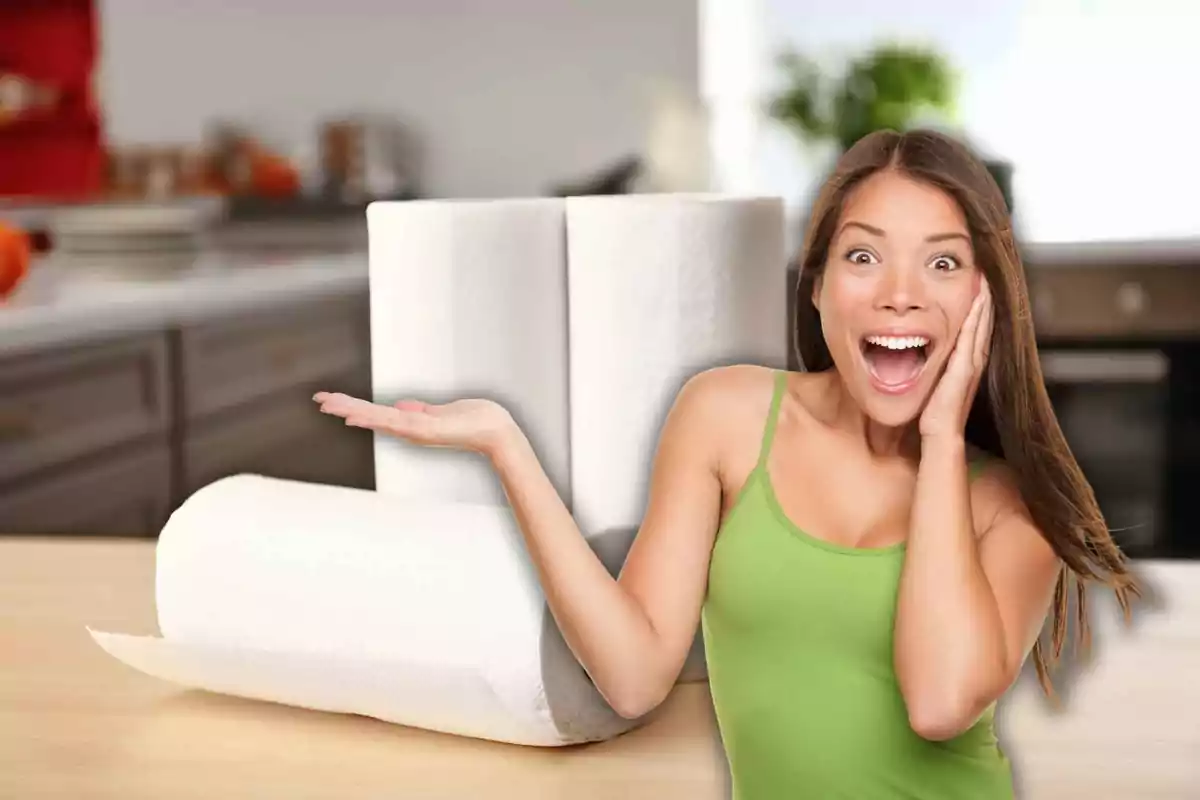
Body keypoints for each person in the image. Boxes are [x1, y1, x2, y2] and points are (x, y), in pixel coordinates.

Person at [313, 129, 1141, 799]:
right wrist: (508, 447)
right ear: (815, 288)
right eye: (863, 256)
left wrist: (941, 442)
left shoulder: (1013, 509)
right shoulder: (727, 417)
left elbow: (935, 704)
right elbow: (635, 675)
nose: (900, 292)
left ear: (987, 306)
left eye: (944, 262)